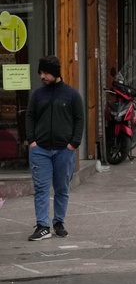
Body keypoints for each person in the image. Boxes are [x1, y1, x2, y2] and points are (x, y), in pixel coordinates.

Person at [25, 56, 84, 241]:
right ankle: (43, 226)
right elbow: (30, 117)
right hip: (40, 149)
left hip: (64, 150)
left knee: (62, 188)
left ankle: (59, 222)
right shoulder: (37, 94)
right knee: (41, 188)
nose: (42, 76)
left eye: (46, 72)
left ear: (56, 73)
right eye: (41, 72)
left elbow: (79, 119)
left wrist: (73, 144)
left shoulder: (72, 95)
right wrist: (32, 141)